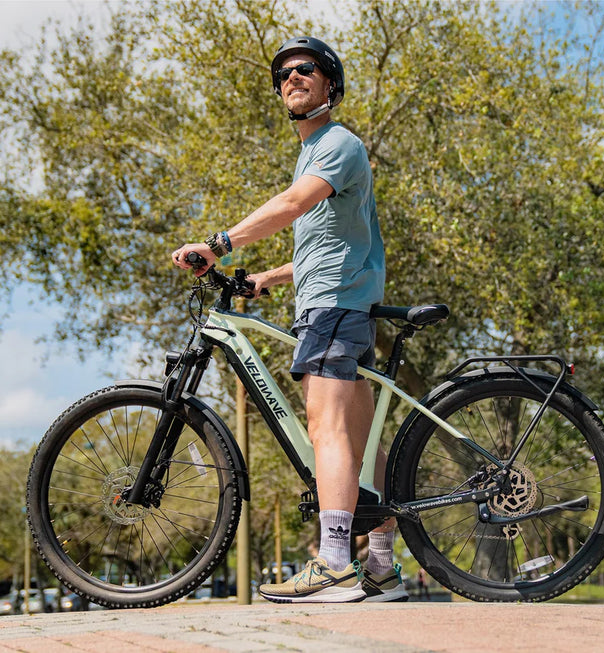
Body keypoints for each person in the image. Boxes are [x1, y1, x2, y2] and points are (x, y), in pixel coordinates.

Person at [172, 36, 406, 603]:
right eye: (283, 75)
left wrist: (219, 244)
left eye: (306, 69)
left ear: (330, 85)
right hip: (341, 302)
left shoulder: (337, 143)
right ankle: (379, 566)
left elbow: (293, 205)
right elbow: (325, 244)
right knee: (357, 437)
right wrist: (265, 279)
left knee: (326, 431)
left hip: (334, 308)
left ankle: (332, 564)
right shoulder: (316, 153)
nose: (292, 77)